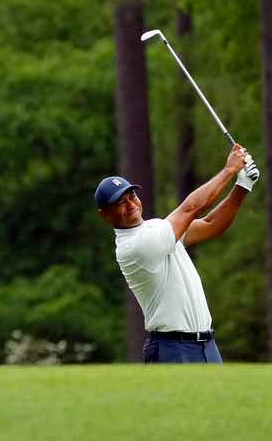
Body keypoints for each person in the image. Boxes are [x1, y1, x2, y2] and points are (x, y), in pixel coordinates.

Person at [96, 143, 260, 364]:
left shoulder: (157, 228)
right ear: (105, 214)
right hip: (171, 348)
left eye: (131, 196)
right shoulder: (134, 246)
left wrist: (243, 185)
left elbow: (212, 225)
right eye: (120, 203)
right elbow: (190, 208)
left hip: (207, 345)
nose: (130, 204)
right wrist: (229, 170)